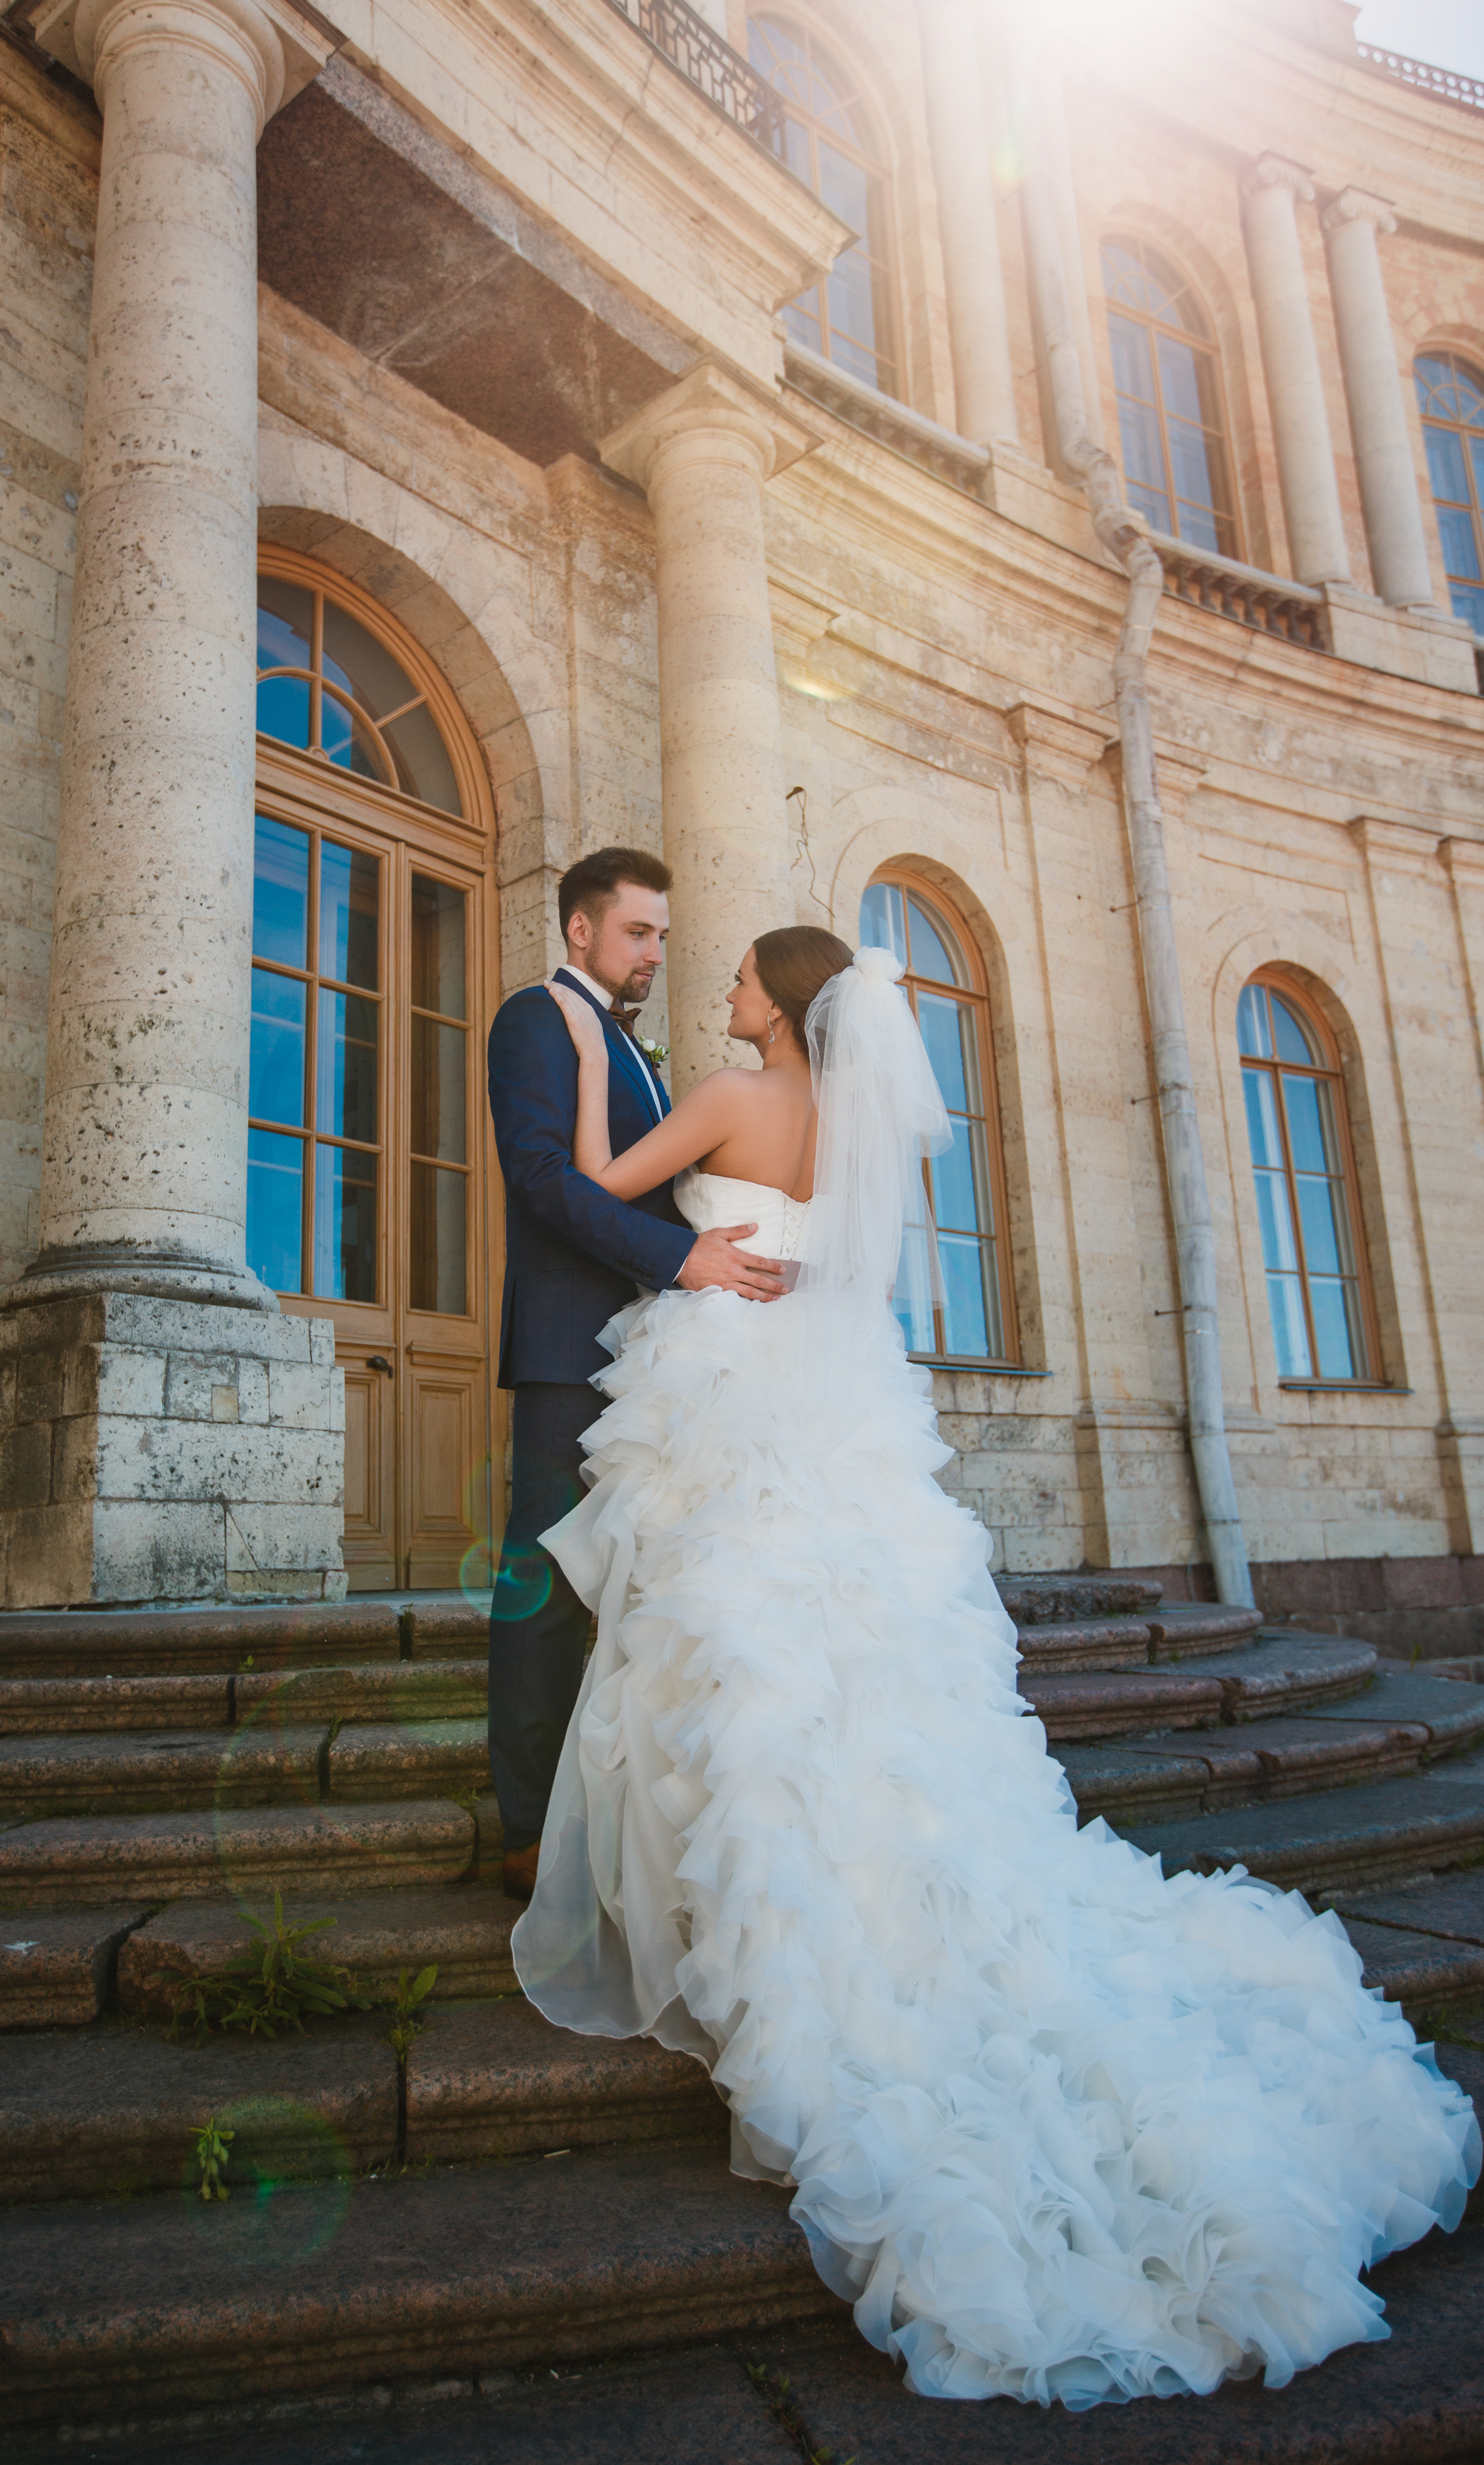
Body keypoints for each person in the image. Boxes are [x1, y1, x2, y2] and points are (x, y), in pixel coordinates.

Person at [512, 922, 1479, 2411]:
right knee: (854, 1662)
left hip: (726, 1385)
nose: (718, 995)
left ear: (774, 1001)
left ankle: (754, 1905)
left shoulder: (718, 1093)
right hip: (830, 1405)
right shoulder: (852, 1123)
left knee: (725, 1657)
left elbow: (592, 1185)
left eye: (736, 981)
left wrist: (586, 1064)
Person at [485, 847, 789, 1906]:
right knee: (548, 1591)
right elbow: (540, 1181)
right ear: (581, 931)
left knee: (649, 1595)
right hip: (574, 1352)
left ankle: (621, 1818)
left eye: (661, 934)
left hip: (662, 1362)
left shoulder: (636, 1048)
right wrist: (685, 1257)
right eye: (638, 933)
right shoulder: (535, 1018)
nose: (656, 951)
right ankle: (526, 1832)